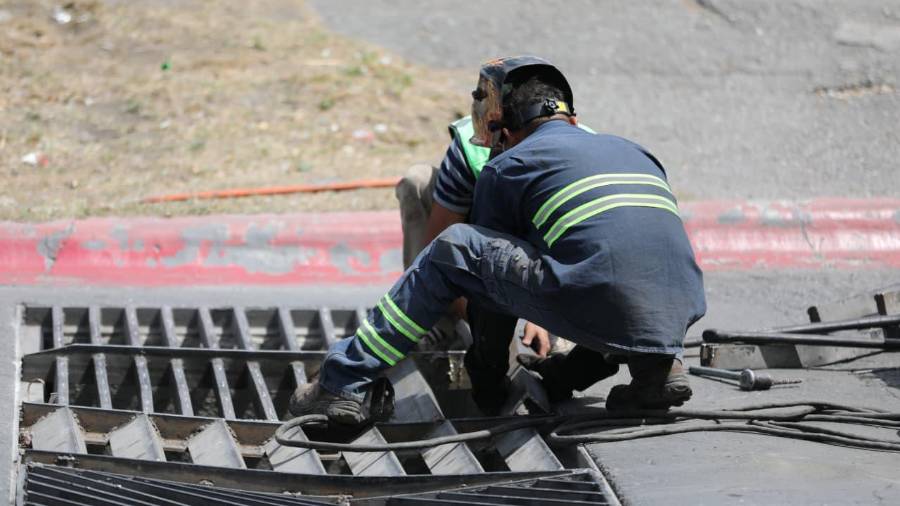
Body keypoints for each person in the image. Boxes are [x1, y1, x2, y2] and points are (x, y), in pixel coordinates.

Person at [290, 56, 706, 425]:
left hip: (591, 294)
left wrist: (488, 382)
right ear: (572, 120)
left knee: (454, 250)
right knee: (623, 273)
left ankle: (341, 380)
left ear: (504, 131)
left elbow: (488, 293)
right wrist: (566, 375)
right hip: (682, 305)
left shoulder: (511, 165)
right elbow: (628, 272)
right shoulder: (634, 150)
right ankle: (658, 372)